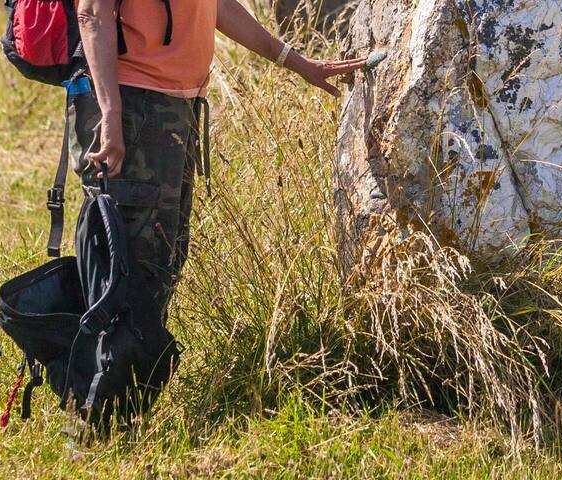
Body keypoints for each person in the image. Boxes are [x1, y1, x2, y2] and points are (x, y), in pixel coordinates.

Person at [65, 0, 365, 429]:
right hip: (135, 109)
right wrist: (112, 116)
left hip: (173, 109)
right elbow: (91, 13)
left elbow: (217, 6)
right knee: (129, 268)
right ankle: (93, 420)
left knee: (161, 262)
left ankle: (119, 411)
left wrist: (295, 62)